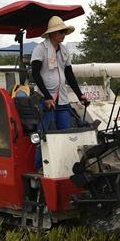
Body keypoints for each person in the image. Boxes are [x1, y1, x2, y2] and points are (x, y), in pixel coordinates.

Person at [30, 15, 89, 168]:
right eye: (60, 32)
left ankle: (66, 166)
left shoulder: (64, 50)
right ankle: (40, 168)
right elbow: (35, 74)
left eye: (64, 32)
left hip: (62, 99)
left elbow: (69, 74)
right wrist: (48, 97)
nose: (63, 34)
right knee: (44, 136)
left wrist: (80, 95)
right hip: (45, 99)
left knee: (66, 134)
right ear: (52, 34)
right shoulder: (40, 49)